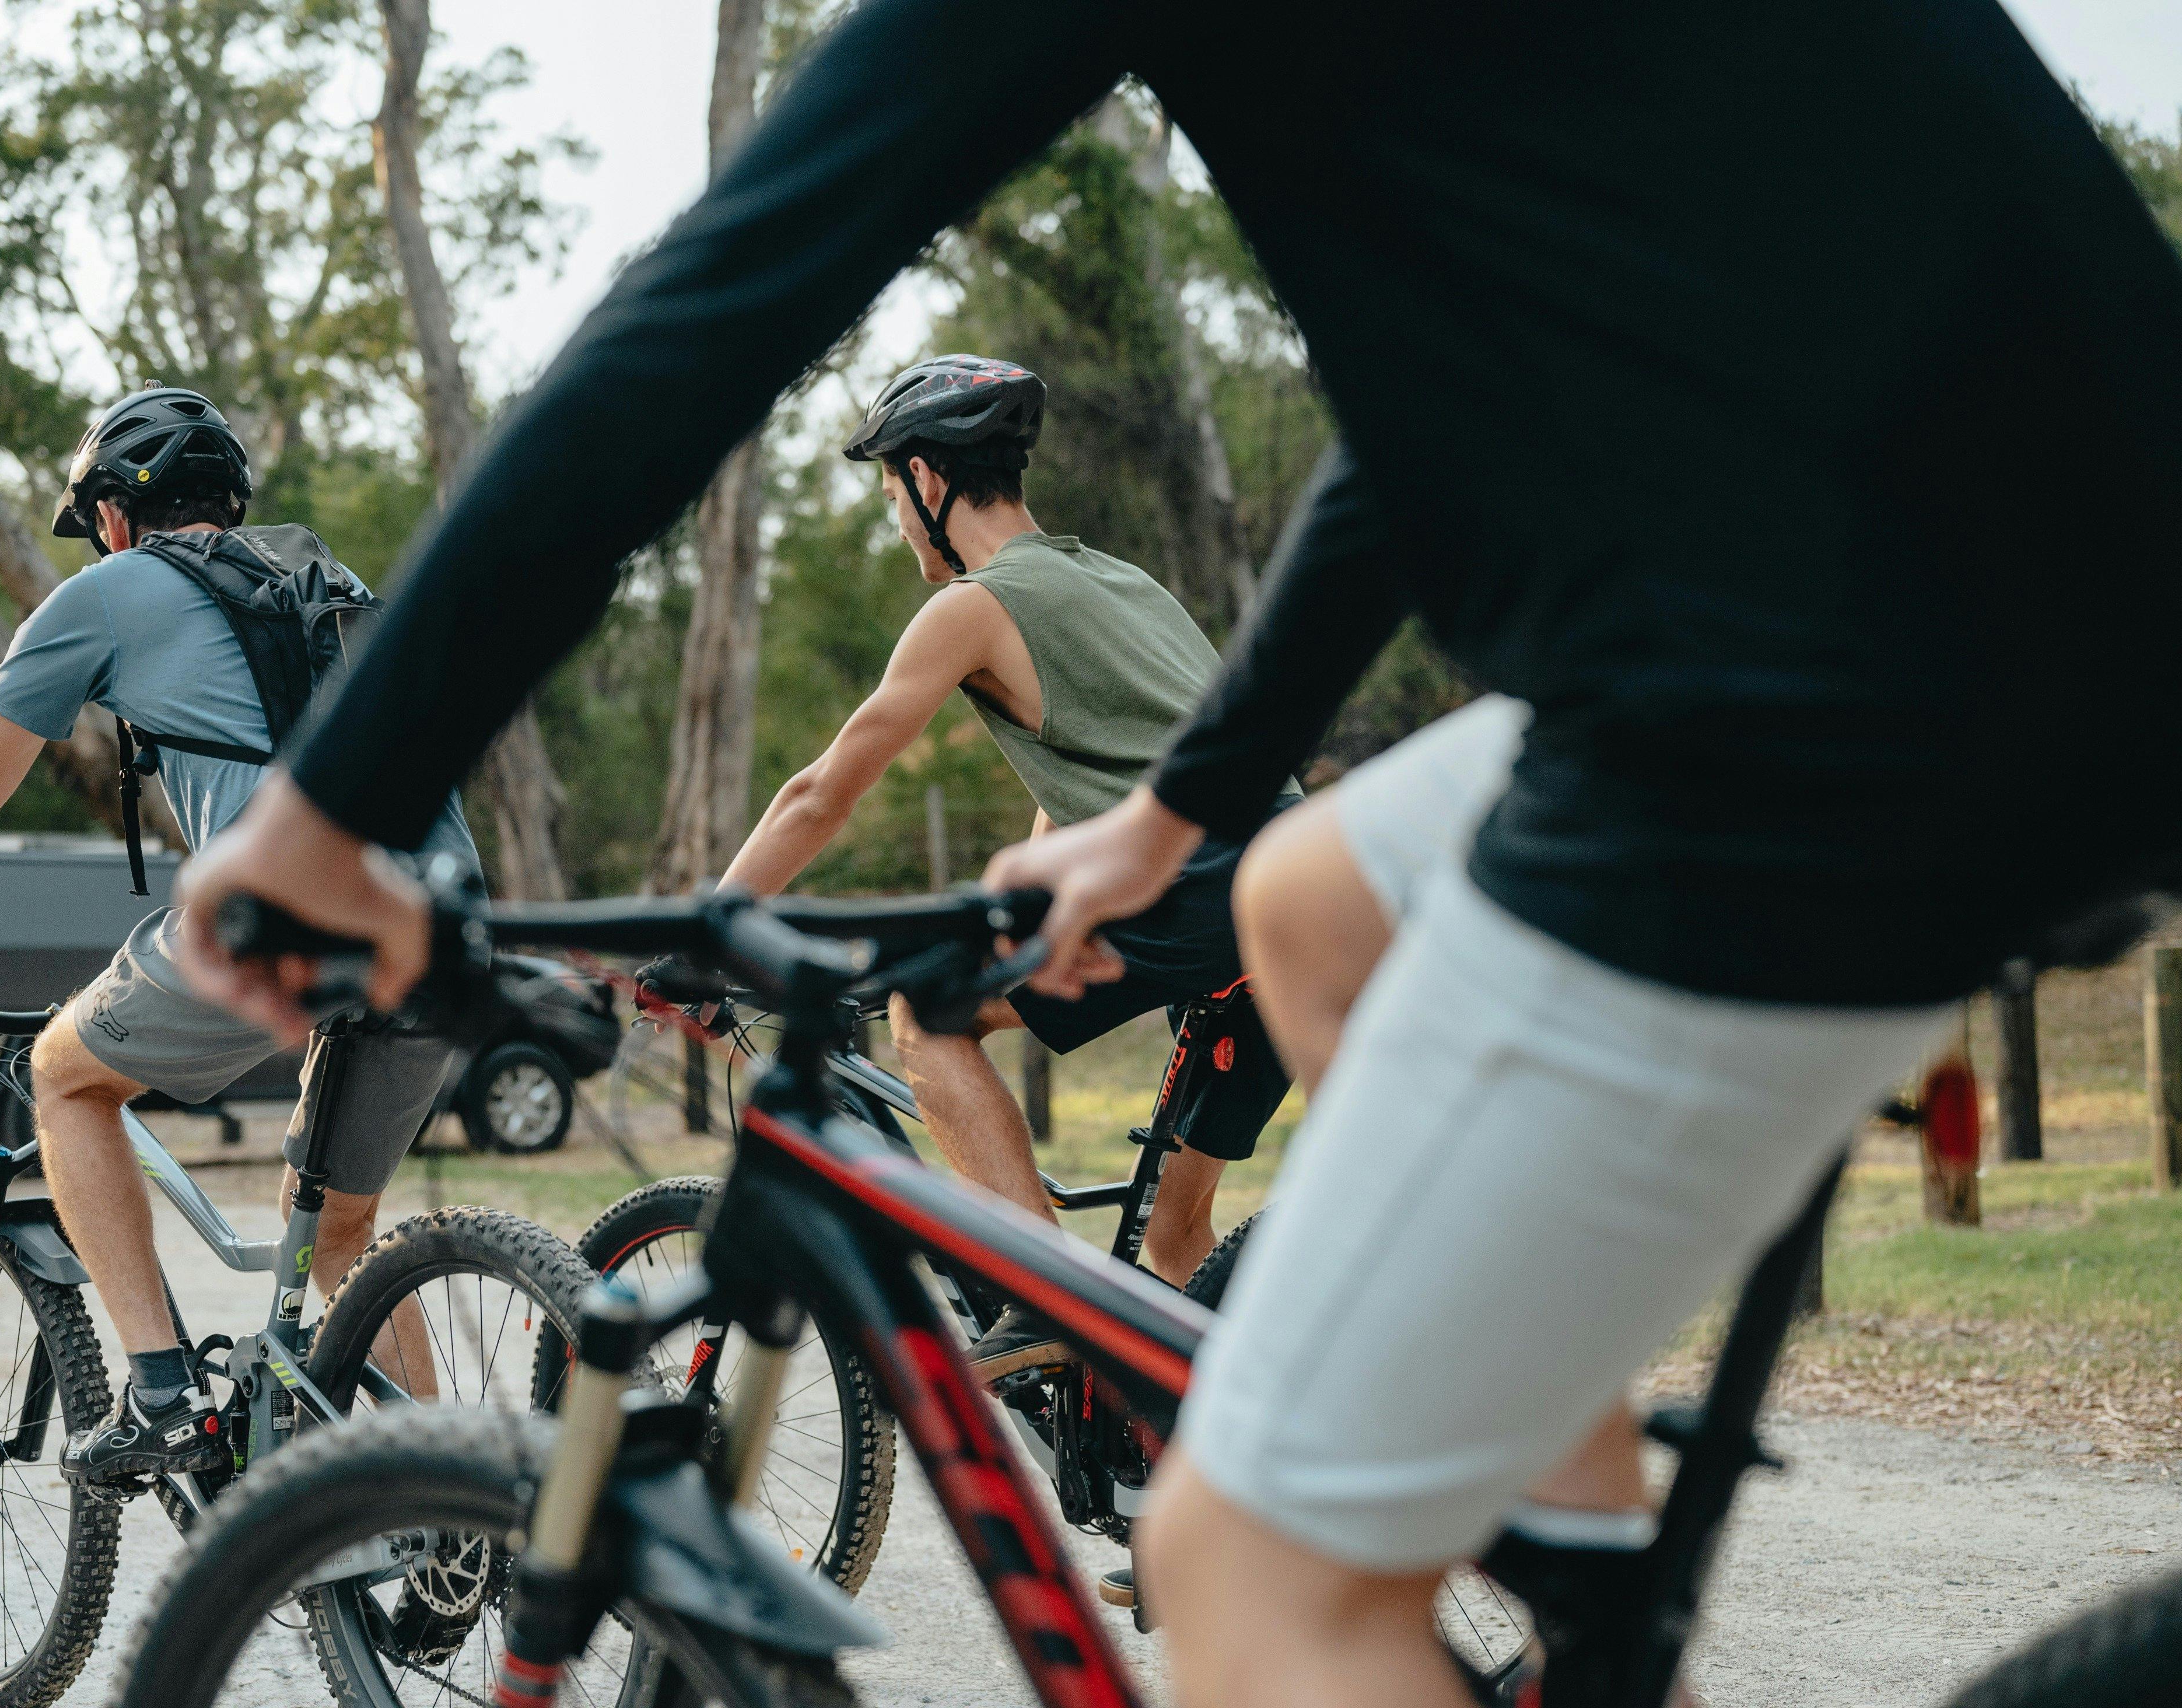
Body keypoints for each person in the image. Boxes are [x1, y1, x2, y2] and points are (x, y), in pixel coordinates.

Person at [167, 5, 2182, 1704]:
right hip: (2026, 579)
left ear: (928, 487)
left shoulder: (980, 590)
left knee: (1240, 1566)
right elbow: (1440, 417)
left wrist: (339, 799)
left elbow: (726, 292)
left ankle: (1287, 1497)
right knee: (1313, 902)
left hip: (1823, 683)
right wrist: (1178, 806)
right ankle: (1564, 1536)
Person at [0, 387, 483, 1484]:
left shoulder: (107, 595)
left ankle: (160, 1390)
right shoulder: (328, 583)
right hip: (443, 922)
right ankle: (451, 1525)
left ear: (118, 513)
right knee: (344, 1237)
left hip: (285, 918)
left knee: (64, 1075)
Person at [671, 353, 1293, 1373]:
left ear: (927, 478)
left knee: (925, 1013)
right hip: (1287, 900)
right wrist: (1002, 909)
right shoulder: (1120, 582)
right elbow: (1089, 786)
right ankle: (1174, 1466)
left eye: (889, 494)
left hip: (1194, 892)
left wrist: (708, 929)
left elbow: (823, 790)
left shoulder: (975, 605)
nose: (895, 519)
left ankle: (1042, 1293)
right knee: (1179, 1241)